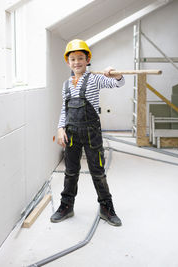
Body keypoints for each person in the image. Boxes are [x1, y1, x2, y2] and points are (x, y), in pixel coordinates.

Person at [50, 39, 124, 226]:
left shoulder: (95, 78)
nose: (77, 62)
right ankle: (66, 206)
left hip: (92, 133)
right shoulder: (66, 85)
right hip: (71, 133)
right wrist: (60, 128)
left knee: (98, 172)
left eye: (81, 58)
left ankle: (106, 208)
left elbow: (118, 84)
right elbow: (64, 110)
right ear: (68, 62)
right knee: (70, 172)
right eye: (73, 59)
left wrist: (115, 74)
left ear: (87, 59)